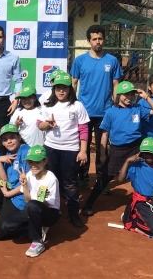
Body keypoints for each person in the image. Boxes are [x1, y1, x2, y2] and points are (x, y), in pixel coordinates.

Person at [81, 81, 153, 217]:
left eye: (131, 94)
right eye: (125, 95)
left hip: (136, 147)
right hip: (117, 149)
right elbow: (105, 134)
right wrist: (102, 154)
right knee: (105, 177)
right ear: (118, 95)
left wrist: (146, 97)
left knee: (147, 171)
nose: (128, 97)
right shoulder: (111, 112)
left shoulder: (138, 109)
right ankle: (88, 204)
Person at [70, 25, 123, 190]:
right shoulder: (80, 61)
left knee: (102, 148)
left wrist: (115, 105)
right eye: (94, 39)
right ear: (88, 41)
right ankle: (83, 178)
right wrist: (73, 104)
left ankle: (102, 181)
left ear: (104, 39)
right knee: (81, 146)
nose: (98, 42)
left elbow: (116, 85)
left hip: (105, 112)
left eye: (100, 38)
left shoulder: (112, 61)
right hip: (84, 112)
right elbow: (73, 83)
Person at [38, 73, 89, 227]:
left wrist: (83, 150)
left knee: (70, 183)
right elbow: (40, 125)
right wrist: (48, 124)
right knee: (48, 180)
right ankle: (46, 210)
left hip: (71, 150)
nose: (61, 91)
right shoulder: (47, 105)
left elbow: (84, 129)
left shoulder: (77, 106)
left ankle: (73, 213)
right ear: (54, 89)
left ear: (70, 89)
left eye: (64, 88)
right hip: (51, 148)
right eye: (58, 88)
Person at [1, 145, 61, 257]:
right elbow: (28, 200)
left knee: (33, 205)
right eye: (30, 162)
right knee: (7, 226)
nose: (33, 165)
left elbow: (47, 205)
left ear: (45, 161)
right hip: (32, 208)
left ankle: (38, 241)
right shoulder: (29, 175)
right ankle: (38, 229)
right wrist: (25, 185)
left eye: (37, 162)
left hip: (50, 213)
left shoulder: (51, 179)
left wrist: (40, 199)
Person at [0, 124, 31, 240]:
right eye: (5, 139)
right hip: (8, 192)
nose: (9, 141)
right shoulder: (8, 154)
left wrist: (7, 193)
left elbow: (28, 185)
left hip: (20, 198)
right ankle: (7, 212)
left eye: (12, 137)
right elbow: (4, 180)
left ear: (19, 137)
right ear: (2, 143)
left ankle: (33, 225)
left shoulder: (27, 152)